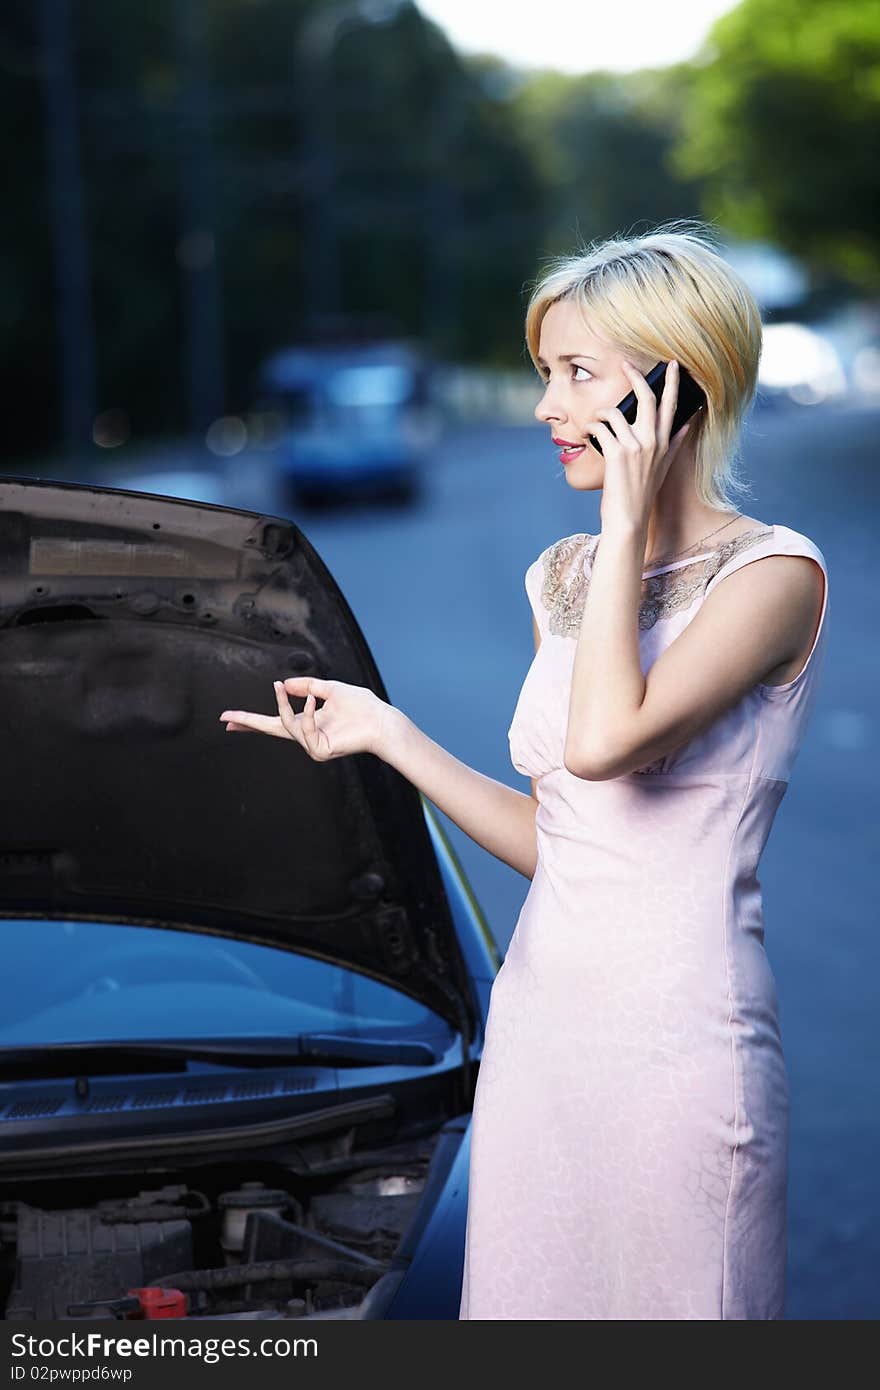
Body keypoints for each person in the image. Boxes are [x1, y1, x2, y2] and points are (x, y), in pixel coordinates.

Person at [219, 220, 830, 1319]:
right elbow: (573, 839)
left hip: (679, 1056)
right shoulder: (564, 574)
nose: (547, 406)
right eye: (544, 372)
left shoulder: (772, 575)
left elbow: (603, 740)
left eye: (578, 375)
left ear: (673, 391)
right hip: (541, 1042)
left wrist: (628, 517)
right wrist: (389, 734)